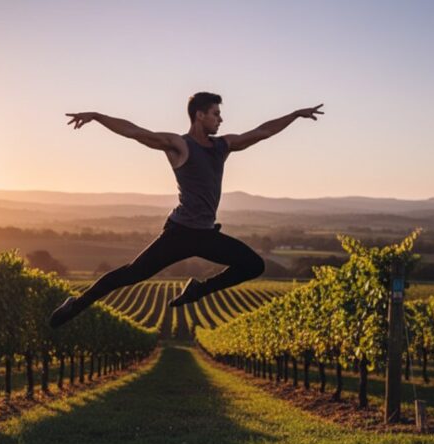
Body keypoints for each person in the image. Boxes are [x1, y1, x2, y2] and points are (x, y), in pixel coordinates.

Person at [50, 92, 323, 328]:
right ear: (200, 115)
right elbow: (137, 133)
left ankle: (198, 290)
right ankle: (77, 304)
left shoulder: (223, 146)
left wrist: (295, 114)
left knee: (253, 265)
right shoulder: (180, 145)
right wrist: (97, 116)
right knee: (131, 274)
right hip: (179, 233)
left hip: (206, 235)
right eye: (216, 114)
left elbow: (262, 132)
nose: (221, 119)